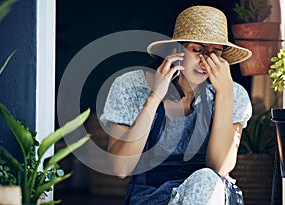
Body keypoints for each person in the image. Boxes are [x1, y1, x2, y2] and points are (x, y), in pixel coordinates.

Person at [99, 5, 252, 205]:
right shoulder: (131, 86)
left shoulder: (233, 94)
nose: (206, 61)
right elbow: (121, 168)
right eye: (197, 50)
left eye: (216, 53)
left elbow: (219, 168)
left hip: (208, 194)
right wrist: (155, 97)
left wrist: (225, 94)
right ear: (175, 51)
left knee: (206, 179)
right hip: (149, 197)